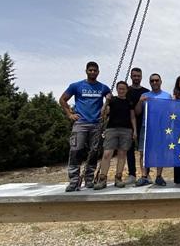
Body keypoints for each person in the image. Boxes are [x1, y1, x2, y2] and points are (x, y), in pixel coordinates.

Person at [59, 61, 111, 192]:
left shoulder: (103, 88)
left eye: (95, 70)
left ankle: (89, 179)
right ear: (86, 71)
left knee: (93, 152)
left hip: (96, 124)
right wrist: (69, 114)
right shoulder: (76, 86)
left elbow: (110, 102)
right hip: (80, 123)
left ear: (98, 72)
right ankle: (74, 181)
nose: (93, 72)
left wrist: (107, 107)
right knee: (76, 151)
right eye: (90, 70)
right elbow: (62, 99)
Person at [93, 81, 137, 190]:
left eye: (124, 89)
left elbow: (132, 117)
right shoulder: (112, 100)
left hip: (126, 130)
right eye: (120, 89)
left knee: (122, 154)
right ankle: (102, 179)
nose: (121, 91)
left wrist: (134, 130)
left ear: (127, 90)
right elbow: (103, 113)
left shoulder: (129, 102)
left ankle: (118, 177)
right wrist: (106, 102)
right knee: (107, 153)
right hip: (112, 129)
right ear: (117, 89)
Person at [134, 73, 171, 186]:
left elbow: (171, 113)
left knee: (160, 152)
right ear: (150, 82)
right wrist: (140, 101)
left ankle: (159, 176)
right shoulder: (145, 95)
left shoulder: (167, 96)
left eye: (156, 80)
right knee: (143, 152)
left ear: (160, 81)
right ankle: (144, 176)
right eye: (152, 81)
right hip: (146, 127)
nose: (154, 82)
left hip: (160, 128)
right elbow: (137, 112)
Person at [126, 67, 149, 185]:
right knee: (129, 149)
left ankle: (146, 174)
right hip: (127, 124)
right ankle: (132, 174)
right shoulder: (126, 90)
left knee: (144, 150)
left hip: (144, 124)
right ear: (131, 76)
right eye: (134, 76)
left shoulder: (146, 91)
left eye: (138, 76)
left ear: (141, 77)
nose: (136, 78)